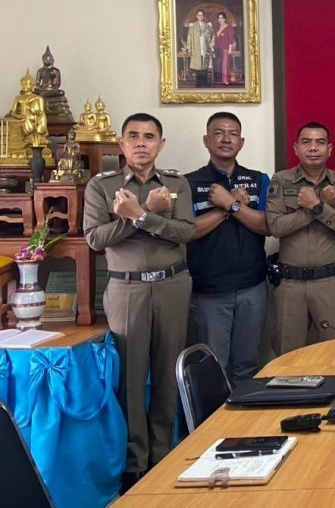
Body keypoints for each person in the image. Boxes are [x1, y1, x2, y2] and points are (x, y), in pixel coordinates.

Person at [82, 113, 194, 491]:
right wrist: (134, 218)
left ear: (161, 144)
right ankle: (134, 464)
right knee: (130, 379)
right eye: (133, 136)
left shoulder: (176, 183)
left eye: (149, 136)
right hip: (127, 289)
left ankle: (162, 456)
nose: (141, 143)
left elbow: (187, 231)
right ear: (121, 143)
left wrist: (141, 215)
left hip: (172, 285)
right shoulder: (102, 185)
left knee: (167, 374)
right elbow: (95, 239)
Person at [186, 112, 271, 385]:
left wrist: (232, 205)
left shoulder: (258, 180)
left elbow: (267, 226)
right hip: (209, 291)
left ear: (241, 142)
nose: (226, 139)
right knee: (214, 369)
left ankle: (243, 414)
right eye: (219, 133)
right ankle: (215, 416)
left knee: (247, 366)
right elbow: (188, 231)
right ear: (206, 140)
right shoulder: (189, 183)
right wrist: (227, 206)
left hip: (252, 287)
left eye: (233, 134)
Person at [266, 122, 335, 354]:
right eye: (306, 142)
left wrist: (318, 207)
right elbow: (276, 227)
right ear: (296, 148)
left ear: (329, 149)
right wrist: (317, 208)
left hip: (331, 282)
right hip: (290, 284)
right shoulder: (281, 180)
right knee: (287, 354)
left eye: (320, 142)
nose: (313, 148)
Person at [185, 10, 213, 87]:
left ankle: (205, 82)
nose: (200, 17)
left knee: (204, 65)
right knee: (198, 65)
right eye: (199, 15)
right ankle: (198, 83)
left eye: (202, 15)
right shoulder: (193, 26)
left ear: (204, 16)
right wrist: (189, 48)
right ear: (197, 16)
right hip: (196, 48)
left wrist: (211, 46)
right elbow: (189, 37)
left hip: (205, 48)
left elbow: (212, 37)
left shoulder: (208, 26)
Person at [213, 12, 236, 86]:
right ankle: (220, 79)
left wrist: (230, 49)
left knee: (225, 64)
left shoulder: (229, 28)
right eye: (219, 18)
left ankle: (226, 80)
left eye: (222, 18)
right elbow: (215, 38)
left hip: (225, 48)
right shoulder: (217, 28)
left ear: (225, 19)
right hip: (217, 48)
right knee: (218, 64)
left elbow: (231, 39)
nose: (220, 19)